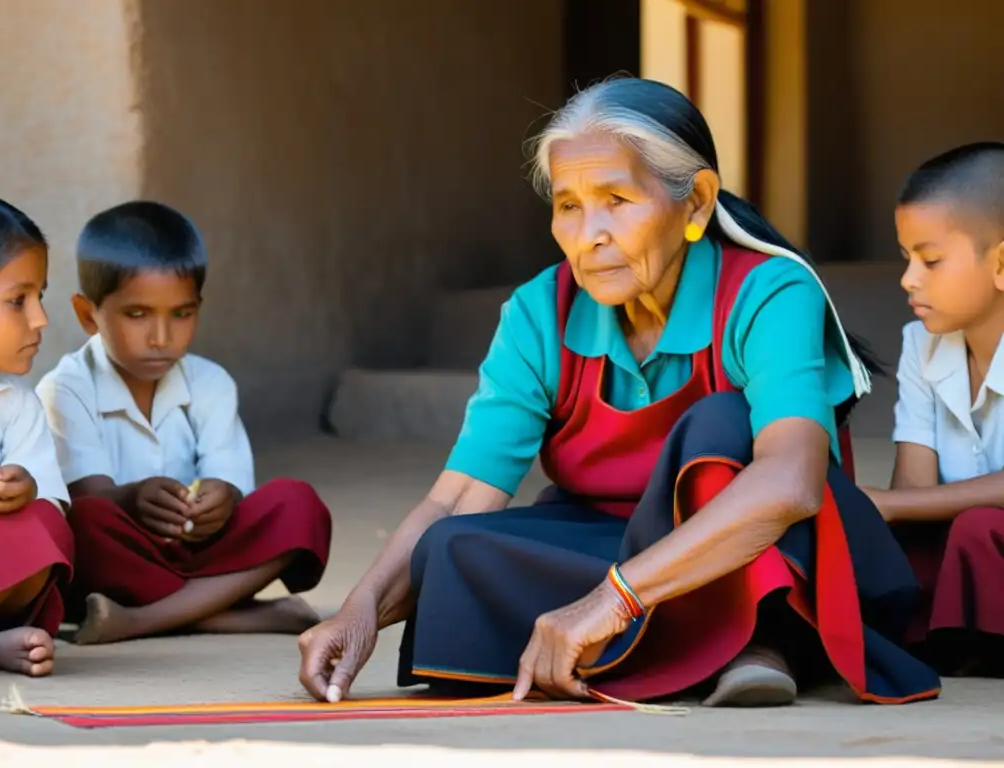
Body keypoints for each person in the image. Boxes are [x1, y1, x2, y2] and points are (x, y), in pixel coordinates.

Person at [297, 77, 940, 707]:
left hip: (768, 553)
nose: (590, 234)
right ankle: (684, 647)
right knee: (450, 548)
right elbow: (459, 497)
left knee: (719, 423)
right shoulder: (539, 313)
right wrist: (361, 610)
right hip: (616, 549)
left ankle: (759, 640)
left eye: (616, 200)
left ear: (695, 204)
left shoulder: (768, 291)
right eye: (569, 206)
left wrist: (614, 599)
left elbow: (790, 484)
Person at [36, 201, 332, 645]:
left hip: (201, 550)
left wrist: (220, 498)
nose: (161, 337)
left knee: (297, 501)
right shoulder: (66, 388)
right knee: (81, 522)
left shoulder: (211, 383)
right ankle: (226, 612)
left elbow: (231, 484)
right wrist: (133, 498)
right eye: (137, 314)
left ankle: (141, 620)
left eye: (181, 313)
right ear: (87, 315)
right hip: (122, 557)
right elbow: (89, 497)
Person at [862, 142, 1004, 677]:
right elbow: (913, 492)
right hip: (964, 544)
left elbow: (904, 502)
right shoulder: (921, 343)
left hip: (987, 539)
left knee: (977, 530)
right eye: (906, 258)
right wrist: (887, 508)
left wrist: (892, 505)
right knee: (900, 544)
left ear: (1001, 263)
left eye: (932, 260)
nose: (909, 279)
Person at [0, 192, 73, 676]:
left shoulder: (14, 401)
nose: (40, 319)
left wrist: (25, 486)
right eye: (18, 300)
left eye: (40, 297)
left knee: (47, 524)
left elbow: (50, 504)